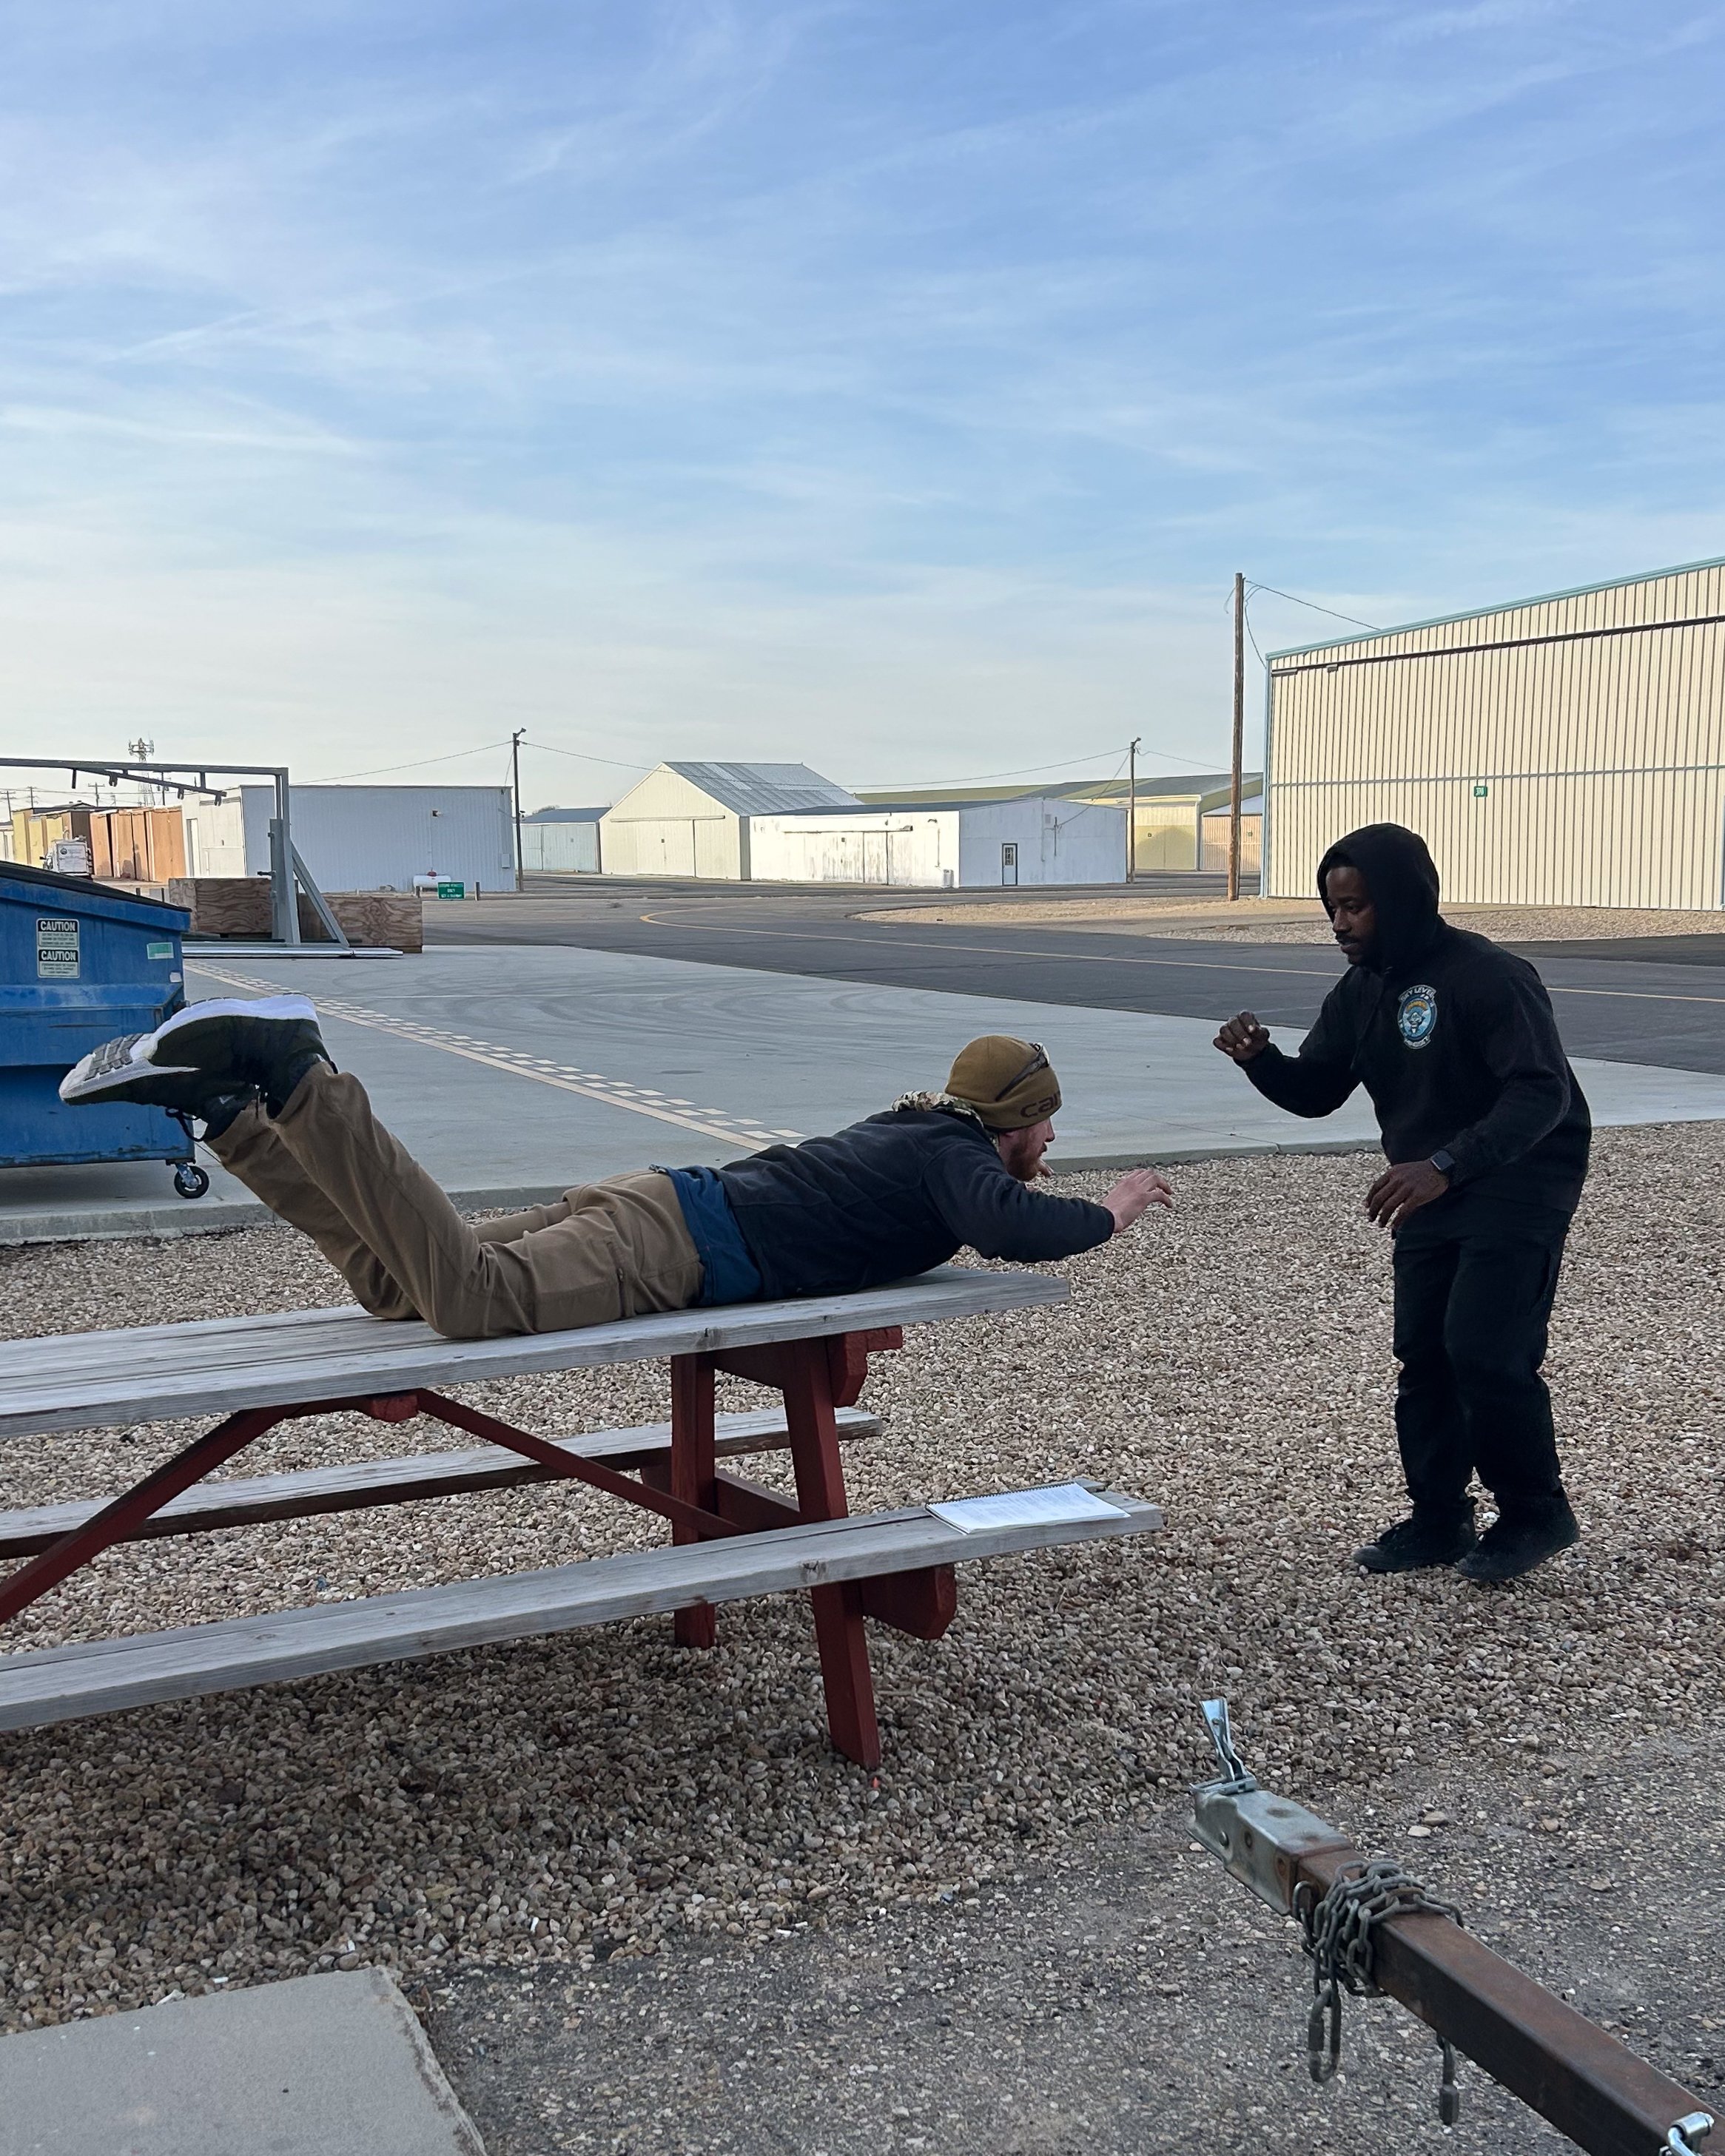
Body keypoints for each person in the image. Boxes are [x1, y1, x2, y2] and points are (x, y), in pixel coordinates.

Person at [63, 998, 1171, 1338]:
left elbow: (981, 1203)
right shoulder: (953, 1157)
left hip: (658, 1205)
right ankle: (296, 1071)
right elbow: (1010, 1227)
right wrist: (1113, 1212)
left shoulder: (916, 1127)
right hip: (669, 1244)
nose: (1050, 1146)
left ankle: (233, 1116)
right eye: (1045, 1128)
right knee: (470, 1302)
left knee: (397, 1284)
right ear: (1014, 1121)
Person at [1213, 823, 1590, 1585]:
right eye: (1332, 908)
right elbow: (1317, 1092)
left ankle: (1535, 1512)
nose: (1340, 923)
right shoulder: (1361, 991)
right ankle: (1438, 1518)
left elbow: (1540, 1091)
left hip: (1518, 1179)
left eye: (1356, 906)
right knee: (1423, 1354)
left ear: (1403, 900)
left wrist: (1446, 1165)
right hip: (1429, 1183)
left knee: (1484, 1349)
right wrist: (1260, 1061)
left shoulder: (1489, 975)